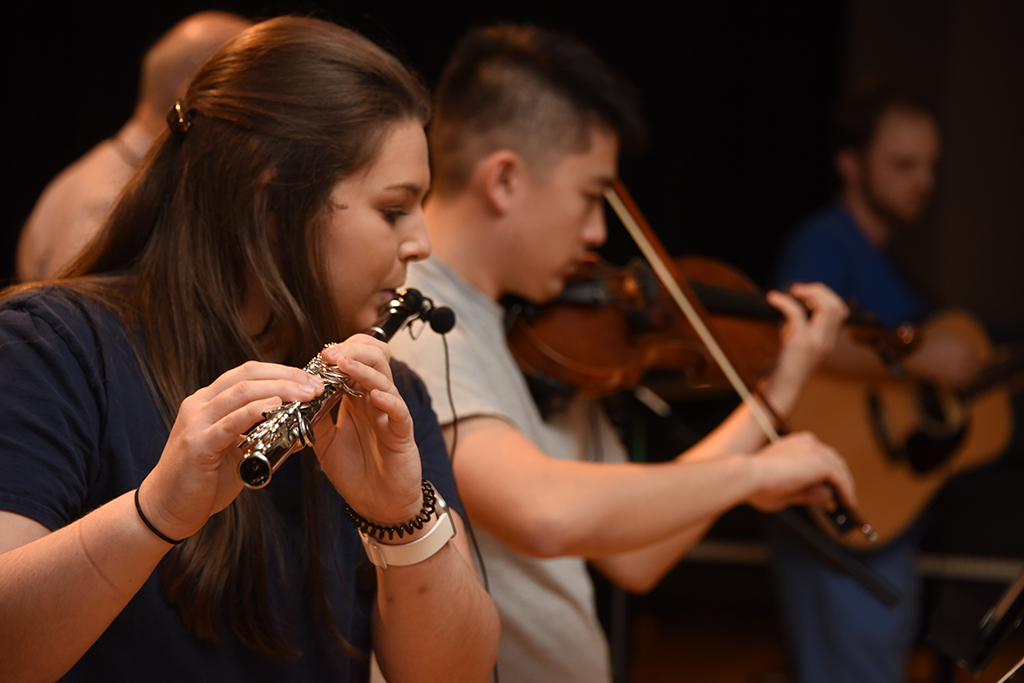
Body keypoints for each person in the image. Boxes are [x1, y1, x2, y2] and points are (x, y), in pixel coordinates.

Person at [0, 16, 498, 683]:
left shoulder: (387, 395)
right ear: (270, 199)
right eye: (393, 208)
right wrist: (156, 513)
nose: (421, 243)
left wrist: (403, 523)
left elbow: (453, 674)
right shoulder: (51, 345)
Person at [389, 24, 858, 683]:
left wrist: (771, 397)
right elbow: (546, 512)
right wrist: (755, 474)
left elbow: (638, 555)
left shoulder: (548, 342)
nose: (597, 233)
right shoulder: (414, 320)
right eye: (590, 195)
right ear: (504, 179)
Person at [769, 79, 982, 683]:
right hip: (840, 512)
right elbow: (799, 338)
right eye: (903, 164)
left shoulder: (893, 266)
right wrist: (916, 362)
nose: (924, 181)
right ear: (850, 164)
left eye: (929, 165)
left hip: (889, 515)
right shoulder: (824, 244)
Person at [15, 10, 251, 283]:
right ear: (194, 95)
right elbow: (88, 322)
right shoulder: (102, 205)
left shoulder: (130, 182)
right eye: (247, 94)